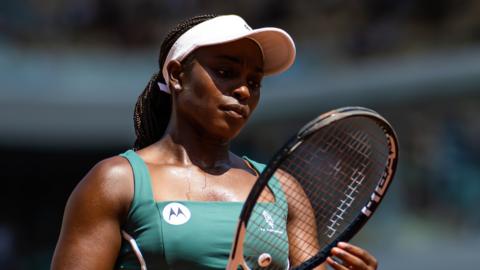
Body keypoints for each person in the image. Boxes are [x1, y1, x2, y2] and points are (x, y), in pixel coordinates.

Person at [51, 14, 378, 270]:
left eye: (254, 81)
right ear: (178, 76)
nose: (244, 91)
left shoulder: (283, 189)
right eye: (225, 71)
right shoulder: (116, 182)